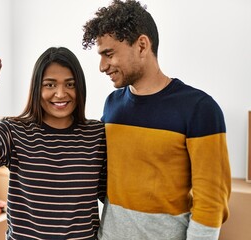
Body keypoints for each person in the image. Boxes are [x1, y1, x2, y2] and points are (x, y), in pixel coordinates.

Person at [82, 0, 231, 239]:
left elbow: (211, 201)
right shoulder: (112, 105)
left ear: (142, 45)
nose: (102, 67)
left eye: (108, 54)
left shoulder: (200, 108)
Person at [0, 47, 107, 239]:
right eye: (49, 85)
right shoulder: (14, 131)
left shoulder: (96, 134)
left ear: (80, 88)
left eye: (70, 84)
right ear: (36, 88)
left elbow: (111, 196)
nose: (60, 94)